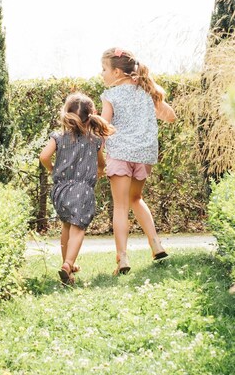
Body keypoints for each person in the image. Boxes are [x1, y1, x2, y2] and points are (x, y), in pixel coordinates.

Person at [99, 47, 177, 275]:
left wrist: (98, 157)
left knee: (121, 206)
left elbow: (104, 128)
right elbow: (171, 116)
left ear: (116, 73)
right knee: (136, 198)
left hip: (121, 154)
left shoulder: (110, 96)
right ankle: (156, 244)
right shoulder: (148, 92)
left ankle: (122, 258)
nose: (101, 73)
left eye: (104, 69)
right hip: (144, 154)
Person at [39, 92, 116, 285]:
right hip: (82, 190)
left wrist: (52, 171)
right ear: (91, 116)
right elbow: (101, 164)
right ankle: (68, 264)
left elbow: (44, 157)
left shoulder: (58, 137)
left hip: (60, 190)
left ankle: (68, 268)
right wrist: (98, 172)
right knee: (78, 228)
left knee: (66, 224)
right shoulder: (95, 141)